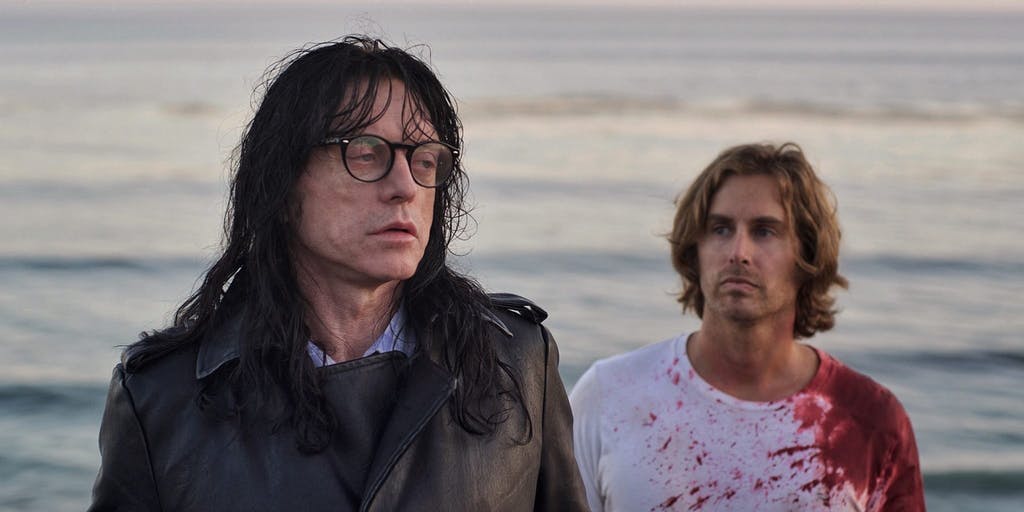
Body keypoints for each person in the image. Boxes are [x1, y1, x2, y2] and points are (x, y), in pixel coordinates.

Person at [89, 36, 587, 511]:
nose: (405, 187)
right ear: (283, 184)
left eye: (424, 159)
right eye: (366, 153)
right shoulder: (160, 397)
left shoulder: (517, 360)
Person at [570, 143, 925, 511]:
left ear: (806, 254)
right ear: (696, 250)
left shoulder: (871, 420)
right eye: (720, 229)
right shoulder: (608, 396)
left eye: (764, 231)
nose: (738, 252)